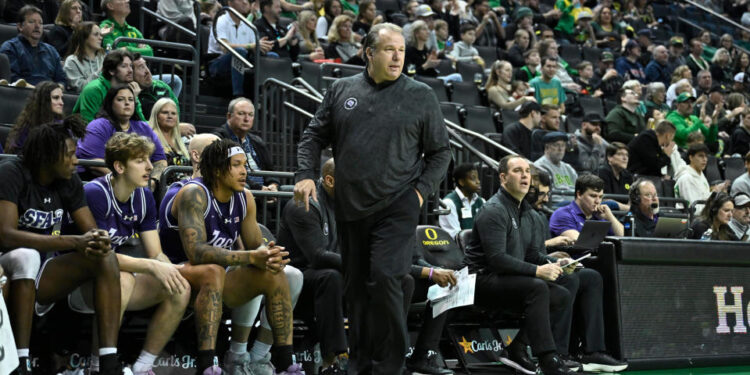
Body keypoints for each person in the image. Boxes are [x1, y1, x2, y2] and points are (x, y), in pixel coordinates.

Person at [294, 23, 451, 374]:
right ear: (369, 52)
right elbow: (312, 137)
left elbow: (441, 153)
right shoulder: (341, 89)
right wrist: (305, 175)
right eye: (389, 49)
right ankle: (361, 364)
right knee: (358, 290)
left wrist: (419, 193)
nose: (397, 56)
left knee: (385, 278)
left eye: (401, 50)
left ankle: (390, 366)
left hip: (398, 205)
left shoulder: (420, 95)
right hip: (351, 208)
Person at [465, 155, 626, 375]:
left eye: (527, 171)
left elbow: (532, 254)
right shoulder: (494, 210)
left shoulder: (529, 213)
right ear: (503, 178)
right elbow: (497, 259)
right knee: (539, 287)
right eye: (517, 171)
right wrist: (538, 271)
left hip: (509, 277)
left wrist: (556, 262)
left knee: (571, 281)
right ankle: (548, 358)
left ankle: (525, 347)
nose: (525, 175)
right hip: (481, 280)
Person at [160, 138, 301, 374]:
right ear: (217, 169)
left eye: (244, 164)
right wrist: (250, 258)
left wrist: (269, 254)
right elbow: (196, 252)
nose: (244, 171)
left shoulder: (243, 197)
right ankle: (207, 365)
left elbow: (256, 245)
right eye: (236, 164)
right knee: (213, 271)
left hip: (215, 274)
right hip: (176, 273)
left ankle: (285, 363)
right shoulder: (193, 193)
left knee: (274, 272)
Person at [0, 118, 123, 375]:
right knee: (26, 255)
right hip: (7, 268)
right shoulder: (12, 172)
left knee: (105, 258)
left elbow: (89, 229)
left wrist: (99, 239)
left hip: (44, 272)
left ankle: (109, 363)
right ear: (48, 156)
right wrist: (71, 241)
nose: (76, 160)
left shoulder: (68, 181)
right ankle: (21, 363)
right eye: (69, 155)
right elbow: (6, 235)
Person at [81, 133, 190, 375]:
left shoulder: (144, 196)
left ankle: (142, 368)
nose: (150, 167)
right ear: (119, 166)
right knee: (122, 279)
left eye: (149, 160)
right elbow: (100, 255)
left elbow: (155, 253)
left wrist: (168, 268)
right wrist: (151, 266)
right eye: (140, 160)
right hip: (78, 281)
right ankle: (98, 367)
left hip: (114, 278)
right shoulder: (94, 193)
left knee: (179, 286)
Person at [278, 158, 347, 374]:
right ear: (330, 180)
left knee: (389, 278)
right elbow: (317, 257)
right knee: (331, 277)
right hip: (296, 280)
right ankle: (332, 358)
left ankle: (384, 356)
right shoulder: (304, 204)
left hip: (332, 276)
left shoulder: (351, 204)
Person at [76, 85, 167, 180]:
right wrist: (127, 182)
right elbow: (95, 164)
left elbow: (160, 160)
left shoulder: (143, 127)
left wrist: (153, 181)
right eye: (120, 99)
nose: (127, 103)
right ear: (110, 103)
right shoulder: (98, 126)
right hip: (98, 183)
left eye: (131, 99)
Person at [207, 0, 274, 97]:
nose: (245, 2)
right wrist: (251, 46)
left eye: (246, 0)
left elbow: (253, 47)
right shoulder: (221, 20)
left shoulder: (248, 25)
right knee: (239, 52)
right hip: (218, 63)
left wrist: (261, 47)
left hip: (243, 61)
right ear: (230, 3)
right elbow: (224, 48)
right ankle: (238, 95)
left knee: (272, 56)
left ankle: (266, 97)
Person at [212, 98, 279, 191]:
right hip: (238, 191)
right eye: (241, 114)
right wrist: (259, 188)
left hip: (264, 192)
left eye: (250, 115)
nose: (247, 119)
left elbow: (270, 170)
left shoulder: (257, 141)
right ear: (229, 116)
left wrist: (273, 184)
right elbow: (227, 172)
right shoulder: (219, 138)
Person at [73, 49, 146, 123]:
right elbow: (86, 124)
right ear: (111, 71)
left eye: (130, 66)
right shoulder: (94, 89)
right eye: (124, 66)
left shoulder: (129, 89)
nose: (130, 70)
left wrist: (134, 99)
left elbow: (141, 124)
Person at [0, 5, 66, 86]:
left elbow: (62, 79)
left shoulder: (51, 50)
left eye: (40, 23)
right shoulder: (10, 47)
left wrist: (59, 87)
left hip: (51, 94)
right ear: (20, 26)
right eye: (32, 22)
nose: (37, 26)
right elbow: (13, 79)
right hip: (22, 93)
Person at [549, 174, 625, 240]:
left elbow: (623, 238)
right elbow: (581, 243)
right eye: (593, 196)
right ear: (579, 194)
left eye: (600, 197)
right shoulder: (562, 214)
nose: (598, 201)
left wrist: (610, 217)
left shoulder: (599, 216)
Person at [5, 81, 64, 154]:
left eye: (62, 98)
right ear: (44, 100)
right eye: (56, 98)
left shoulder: (62, 126)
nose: (61, 102)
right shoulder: (25, 128)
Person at [439, 163, 485, 238]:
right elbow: (455, 236)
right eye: (473, 178)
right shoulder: (448, 203)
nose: (478, 182)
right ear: (461, 182)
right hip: (458, 248)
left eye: (478, 178)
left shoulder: (482, 201)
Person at [674, 143, 726, 209]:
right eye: (701, 156)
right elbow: (694, 209)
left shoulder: (700, 175)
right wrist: (713, 194)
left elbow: (703, 199)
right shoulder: (686, 178)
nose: (705, 159)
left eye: (706, 156)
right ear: (691, 158)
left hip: (703, 215)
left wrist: (715, 192)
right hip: (691, 218)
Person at [534, 132, 578, 208]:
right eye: (556, 145)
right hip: (555, 206)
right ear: (547, 147)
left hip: (573, 205)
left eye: (563, 145)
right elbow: (546, 195)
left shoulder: (568, 168)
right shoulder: (539, 167)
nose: (560, 149)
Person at [63, 21, 106, 93]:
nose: (100, 38)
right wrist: (101, 72)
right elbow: (80, 88)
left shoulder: (103, 57)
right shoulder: (72, 61)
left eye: (100, 35)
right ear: (84, 38)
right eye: (96, 35)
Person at [148, 98, 189, 166]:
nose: (170, 116)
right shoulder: (150, 138)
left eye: (173, 113)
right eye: (165, 112)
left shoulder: (182, 140)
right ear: (156, 116)